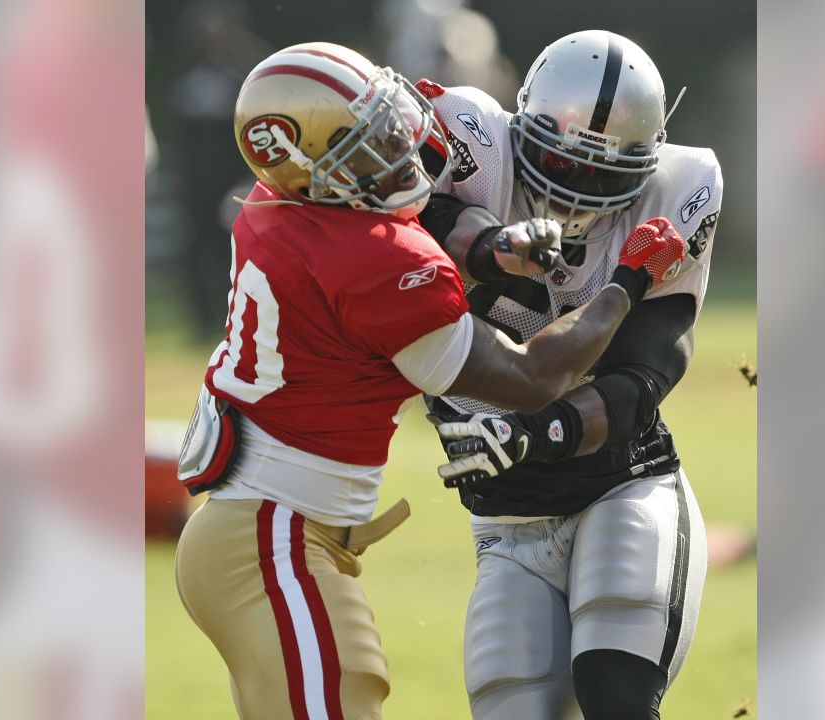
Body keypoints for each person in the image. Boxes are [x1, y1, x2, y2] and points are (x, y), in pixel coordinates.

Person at [172, 42, 688, 720]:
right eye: (365, 145)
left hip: (266, 533)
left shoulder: (272, 206)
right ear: (317, 174)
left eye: (389, 120)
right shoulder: (380, 260)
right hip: (272, 541)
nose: (398, 144)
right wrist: (627, 280)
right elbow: (536, 377)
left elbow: (409, 225)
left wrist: (498, 246)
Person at [414, 30, 724, 719]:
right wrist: (496, 247)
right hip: (505, 525)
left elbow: (643, 380)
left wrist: (534, 436)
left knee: (615, 696)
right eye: (561, 162)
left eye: (603, 175)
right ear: (518, 128)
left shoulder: (675, 192)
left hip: (620, 489)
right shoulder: (474, 147)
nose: (576, 189)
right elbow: (425, 219)